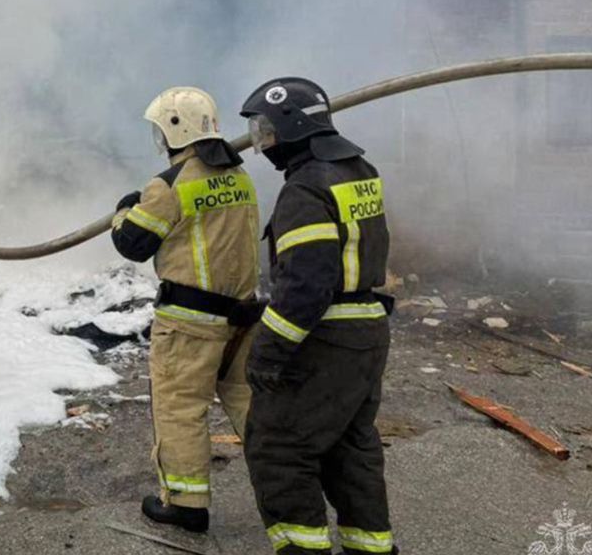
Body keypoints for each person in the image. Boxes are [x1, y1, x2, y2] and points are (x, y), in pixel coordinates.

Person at [238, 78, 396, 555]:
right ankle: (371, 548)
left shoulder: (306, 189)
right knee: (350, 448)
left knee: (279, 447)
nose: (262, 142)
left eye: (266, 130)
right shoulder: (355, 169)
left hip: (327, 337)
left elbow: (307, 286)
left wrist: (267, 350)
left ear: (291, 125)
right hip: (367, 329)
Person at [111, 87, 263, 533]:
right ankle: (285, 483)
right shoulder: (240, 176)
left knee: (180, 406)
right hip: (243, 316)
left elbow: (132, 243)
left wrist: (125, 210)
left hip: (190, 325)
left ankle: (184, 503)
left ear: (175, 130)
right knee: (250, 401)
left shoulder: (170, 185)